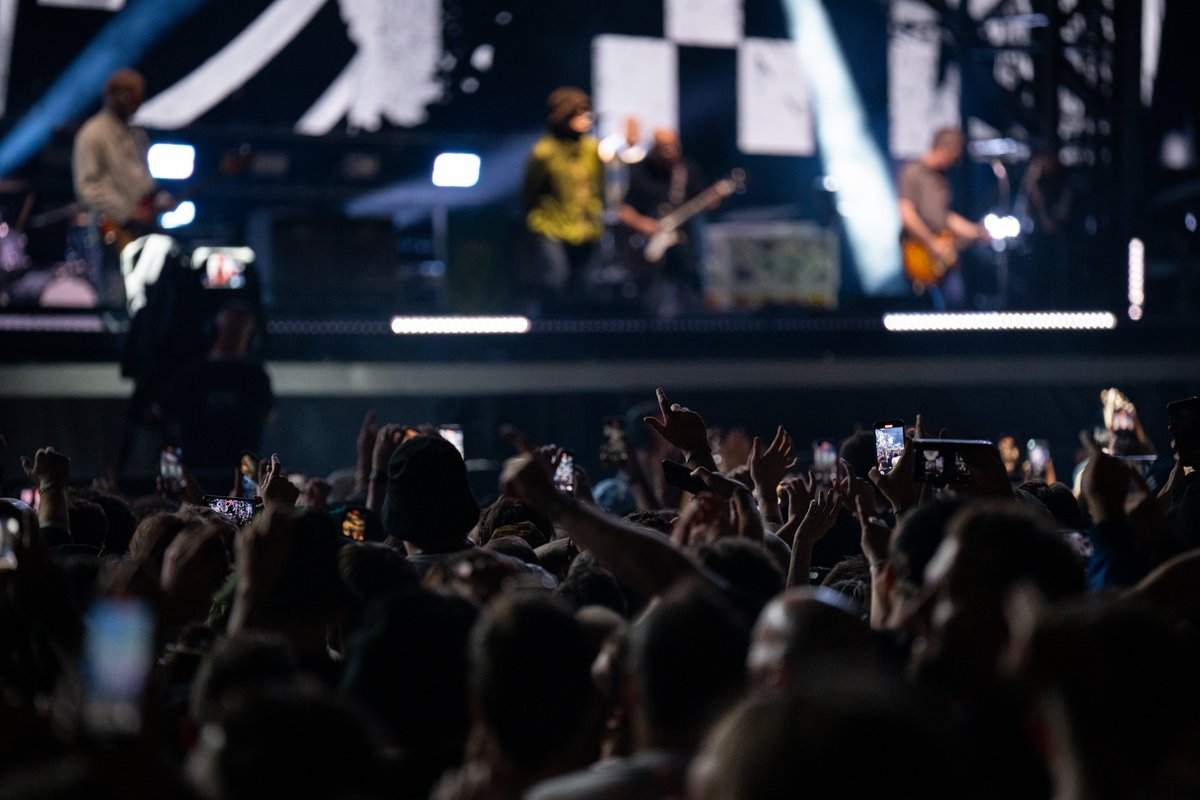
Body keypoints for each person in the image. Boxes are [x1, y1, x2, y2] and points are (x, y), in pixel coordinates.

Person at [72, 69, 171, 308]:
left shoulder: (137, 135)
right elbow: (87, 187)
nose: (137, 104)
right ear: (117, 96)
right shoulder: (93, 134)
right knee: (116, 298)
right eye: (133, 97)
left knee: (149, 298)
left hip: (142, 232)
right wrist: (127, 212)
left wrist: (160, 201)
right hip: (112, 231)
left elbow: (144, 181)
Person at [156, 304, 274, 480]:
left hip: (239, 478)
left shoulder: (257, 378)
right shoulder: (190, 375)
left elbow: (160, 413)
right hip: (196, 476)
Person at [521, 86, 604, 315]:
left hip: (586, 229)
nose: (585, 119)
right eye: (579, 113)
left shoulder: (591, 149)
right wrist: (535, 227)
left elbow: (598, 187)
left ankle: (579, 334)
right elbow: (530, 193)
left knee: (585, 287)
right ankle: (548, 329)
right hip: (552, 228)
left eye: (587, 113)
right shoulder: (544, 152)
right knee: (554, 281)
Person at [618, 128, 711, 317]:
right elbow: (623, 210)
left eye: (674, 148)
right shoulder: (640, 172)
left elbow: (705, 202)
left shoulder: (687, 171)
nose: (670, 153)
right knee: (650, 298)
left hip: (682, 248)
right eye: (664, 149)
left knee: (688, 294)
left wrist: (714, 199)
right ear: (654, 149)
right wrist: (644, 224)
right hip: (647, 250)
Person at [898, 128, 986, 309]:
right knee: (920, 309)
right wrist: (931, 242)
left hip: (942, 256)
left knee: (956, 303)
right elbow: (907, 214)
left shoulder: (941, 178)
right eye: (954, 156)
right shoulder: (913, 171)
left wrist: (977, 231)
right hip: (919, 253)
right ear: (945, 149)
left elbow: (945, 218)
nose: (955, 161)